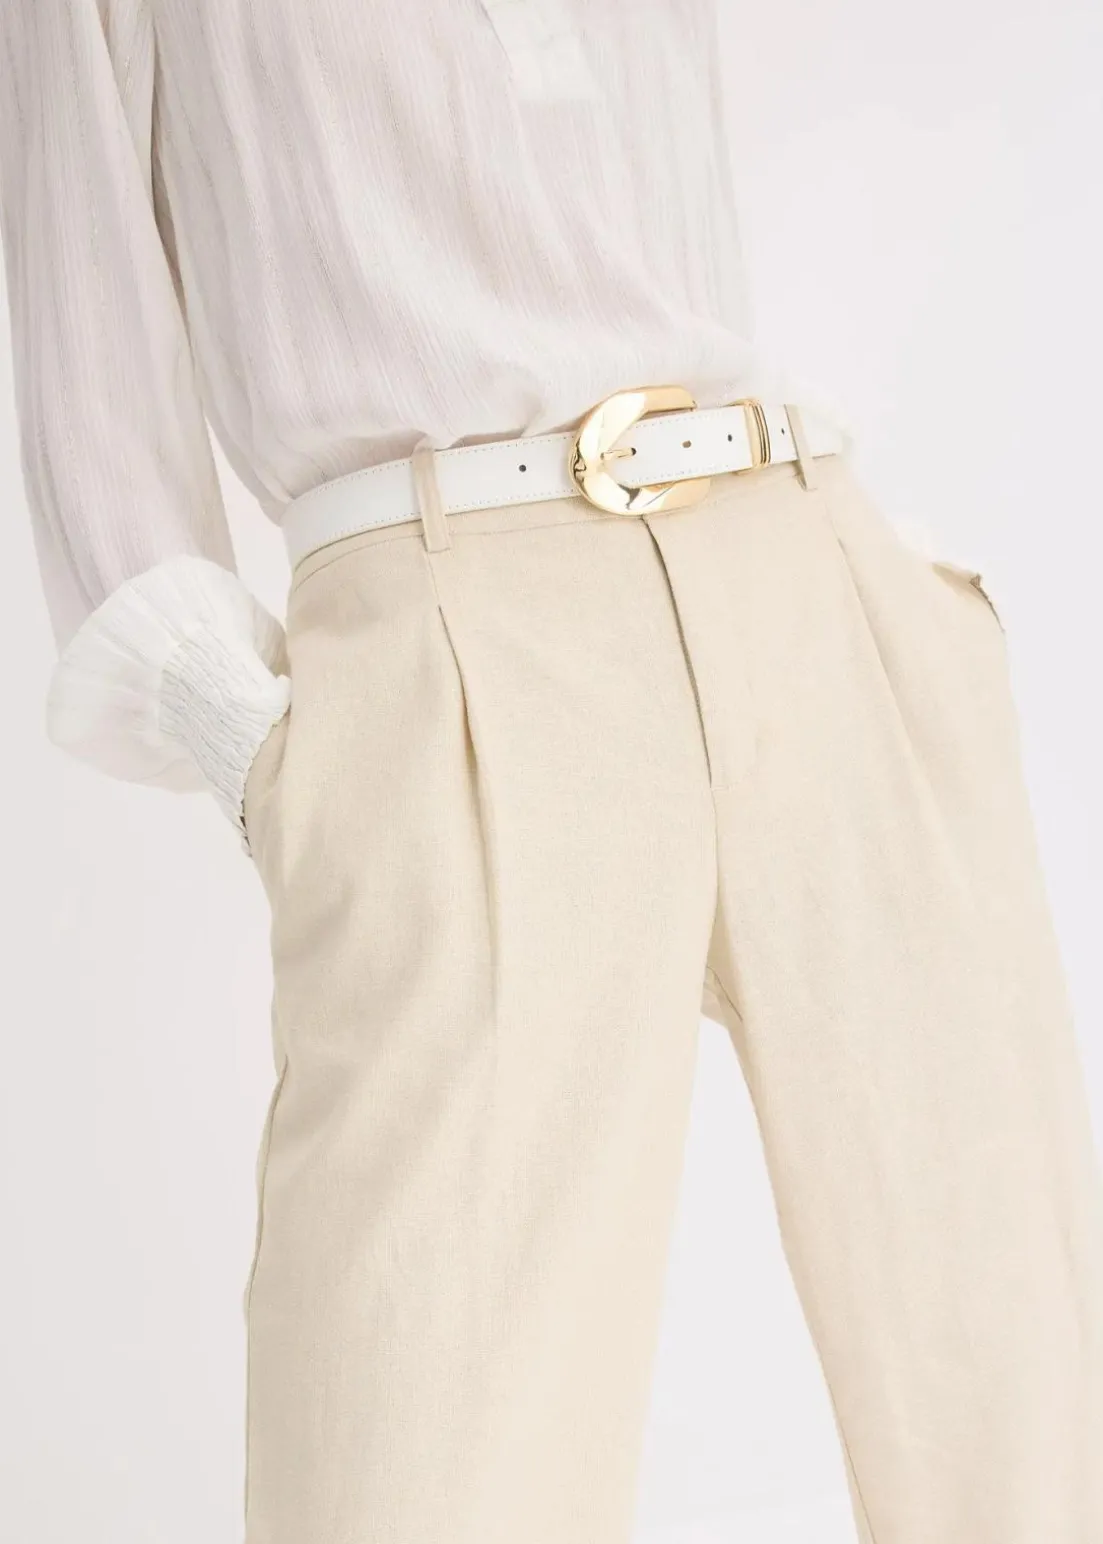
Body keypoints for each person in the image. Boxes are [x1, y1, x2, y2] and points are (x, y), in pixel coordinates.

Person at [2, 4, 1102, 1542]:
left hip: (812, 573)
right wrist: (276, 763)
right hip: (455, 640)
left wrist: (911, 608)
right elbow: (93, 374)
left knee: (1024, 1425)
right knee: (423, 1461)